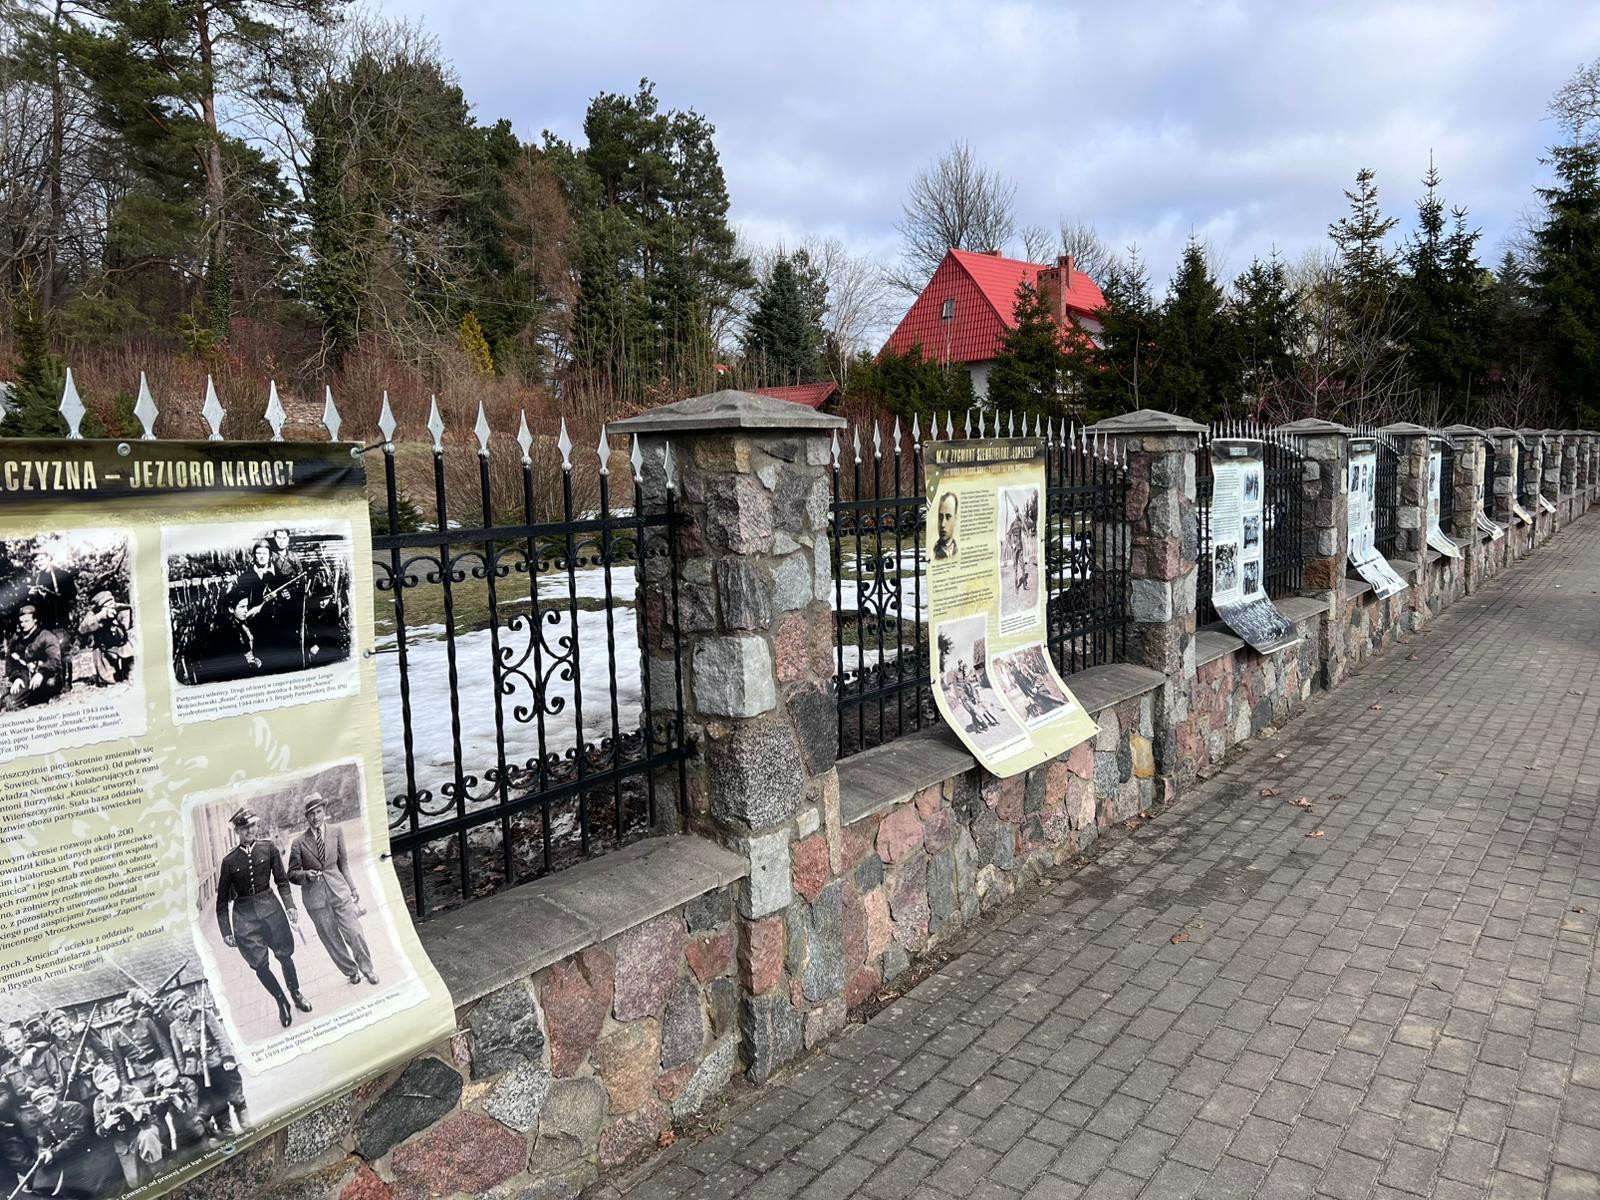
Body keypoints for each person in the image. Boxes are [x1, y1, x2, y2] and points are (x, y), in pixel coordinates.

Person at [215, 808, 310, 1029]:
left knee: (285, 956)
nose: (250, 830)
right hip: (244, 920)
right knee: (259, 966)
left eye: (253, 826)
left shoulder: (269, 848)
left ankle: (296, 994)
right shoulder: (229, 861)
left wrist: (290, 907)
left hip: (272, 912)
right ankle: (282, 1002)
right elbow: (221, 902)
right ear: (237, 830)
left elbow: (282, 881)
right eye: (245, 827)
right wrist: (226, 931)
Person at [288, 794, 377, 987]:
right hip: (316, 900)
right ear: (306, 817)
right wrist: (306, 875)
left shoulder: (336, 831)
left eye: (318, 811)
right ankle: (351, 971)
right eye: (311, 814)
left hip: (339, 892)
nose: (315, 817)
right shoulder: (299, 843)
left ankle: (367, 969)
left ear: (324, 811)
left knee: (355, 932)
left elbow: (343, 863)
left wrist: (352, 887)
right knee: (332, 940)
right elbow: (292, 873)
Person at [165, 992, 245, 1134]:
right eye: (175, 1009)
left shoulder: (204, 1015)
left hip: (215, 1064)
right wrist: (184, 1072)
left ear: (187, 1002)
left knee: (234, 1095)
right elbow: (178, 1053)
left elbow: (221, 1037)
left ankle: (246, 1125)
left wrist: (227, 1058)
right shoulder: (174, 1027)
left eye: (181, 1006)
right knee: (214, 1102)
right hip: (196, 1071)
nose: (180, 1011)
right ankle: (227, 1133)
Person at [28, 1083, 115, 1199]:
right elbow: (45, 1144)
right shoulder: (45, 1121)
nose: (44, 1106)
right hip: (71, 1161)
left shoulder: (74, 1108)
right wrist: (44, 1153)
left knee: (98, 1193)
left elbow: (80, 1135)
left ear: (54, 1097)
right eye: (39, 1104)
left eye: (46, 1101)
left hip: (93, 1155)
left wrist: (53, 1153)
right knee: (47, 1185)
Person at [91, 1061, 159, 1189]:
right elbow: (99, 1131)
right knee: (135, 1183)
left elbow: (147, 1121)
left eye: (112, 1077)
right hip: (123, 1145)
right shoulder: (99, 1102)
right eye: (105, 1080)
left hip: (140, 1134)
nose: (111, 1081)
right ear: (99, 1086)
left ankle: (162, 1173)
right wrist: (107, 1123)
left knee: (148, 1136)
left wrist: (135, 1111)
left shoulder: (132, 1093)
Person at [106, 993, 173, 1099]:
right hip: (139, 1078)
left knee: (169, 1096)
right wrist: (125, 1084)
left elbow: (163, 1044)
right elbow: (120, 1064)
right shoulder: (116, 1036)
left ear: (134, 1011)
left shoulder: (146, 1022)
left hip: (159, 1068)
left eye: (128, 1012)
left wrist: (169, 1065)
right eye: (122, 1014)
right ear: (117, 1017)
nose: (126, 1015)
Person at [196, 592, 262, 684]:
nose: (246, 610)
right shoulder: (226, 630)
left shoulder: (240, 624)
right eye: (242, 607)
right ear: (231, 609)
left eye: (246, 606)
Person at [5, 605, 63, 708]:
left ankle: (46, 696)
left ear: (35, 620)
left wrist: (42, 673)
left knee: (51, 684)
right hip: (26, 676)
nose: (23, 625)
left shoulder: (46, 636)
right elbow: (10, 661)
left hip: (46, 675)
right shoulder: (16, 639)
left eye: (27, 621)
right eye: (21, 622)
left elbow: (54, 660)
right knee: (9, 702)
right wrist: (17, 678)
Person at [147, 1059, 207, 1154]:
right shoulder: (159, 1088)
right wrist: (161, 1103)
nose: (165, 1079)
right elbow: (158, 1116)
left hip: (196, 1124)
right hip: (179, 1128)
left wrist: (176, 1099)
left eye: (167, 1074)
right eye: (161, 1076)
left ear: (176, 1072)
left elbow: (192, 1112)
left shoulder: (187, 1083)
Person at [77, 590, 133, 686]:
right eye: (106, 605)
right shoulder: (93, 613)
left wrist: (116, 622)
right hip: (104, 646)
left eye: (112, 603)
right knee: (109, 679)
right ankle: (109, 677)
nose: (111, 606)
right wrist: (100, 617)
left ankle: (128, 671)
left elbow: (128, 630)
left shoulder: (123, 609)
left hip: (122, 644)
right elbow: (82, 629)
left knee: (131, 669)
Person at [26, 547, 75, 636]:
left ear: (49, 558)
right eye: (36, 561)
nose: (39, 563)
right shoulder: (36, 579)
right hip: (45, 624)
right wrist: (31, 595)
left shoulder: (63, 575)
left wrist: (49, 594)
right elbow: (35, 605)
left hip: (62, 622)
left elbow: (71, 597)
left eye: (42, 559)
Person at [933, 492, 959, 560]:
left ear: (955, 519)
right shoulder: (933, 551)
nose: (942, 524)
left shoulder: (958, 549)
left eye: (948, 517)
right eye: (940, 517)